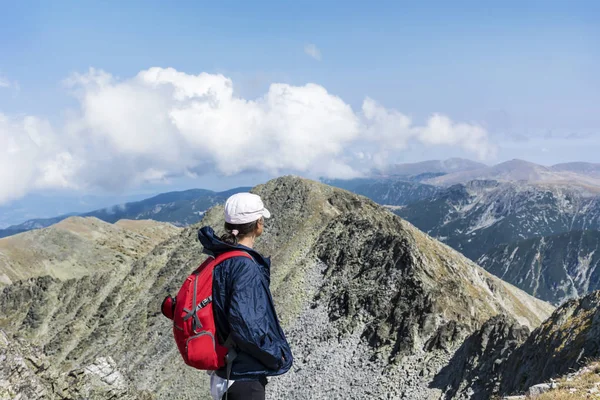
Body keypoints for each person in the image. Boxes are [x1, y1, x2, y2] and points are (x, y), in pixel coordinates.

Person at [198, 192, 293, 400]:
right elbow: (246, 325)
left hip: (224, 371)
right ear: (259, 223)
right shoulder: (245, 266)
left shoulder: (220, 257)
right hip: (243, 377)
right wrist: (276, 355)